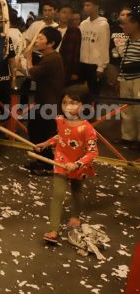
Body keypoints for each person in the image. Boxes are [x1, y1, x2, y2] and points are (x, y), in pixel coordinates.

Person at [34, 90, 98, 243]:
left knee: (77, 192)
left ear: (82, 105)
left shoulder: (88, 129)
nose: (67, 106)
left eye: (73, 103)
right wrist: (46, 144)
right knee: (58, 194)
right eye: (64, 102)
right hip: (61, 161)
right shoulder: (60, 120)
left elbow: (93, 152)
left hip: (78, 164)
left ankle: (76, 216)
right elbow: (61, 136)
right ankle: (54, 230)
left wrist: (77, 164)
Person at [22, 27, 65, 173]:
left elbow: (33, 73)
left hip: (48, 104)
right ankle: (40, 160)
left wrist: (28, 58)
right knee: (35, 131)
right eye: (38, 38)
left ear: (51, 43)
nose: (37, 41)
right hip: (44, 102)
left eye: (41, 39)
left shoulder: (52, 59)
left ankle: (47, 165)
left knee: (42, 134)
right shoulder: (48, 57)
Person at [118, 5, 140, 149]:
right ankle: (128, 137)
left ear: (135, 24)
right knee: (126, 109)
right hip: (126, 78)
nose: (122, 27)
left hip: (138, 79)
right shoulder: (128, 41)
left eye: (125, 24)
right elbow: (124, 60)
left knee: (139, 110)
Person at [79, 0, 110, 94]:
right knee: (80, 93)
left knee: (93, 93)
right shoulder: (83, 24)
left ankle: (92, 109)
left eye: (88, 5)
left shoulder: (103, 24)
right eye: (84, 5)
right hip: (82, 63)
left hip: (94, 65)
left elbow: (104, 46)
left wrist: (101, 67)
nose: (85, 8)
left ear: (96, 6)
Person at [105, 6, 132, 97]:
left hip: (129, 65)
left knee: (128, 90)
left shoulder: (135, 28)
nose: (125, 16)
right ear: (119, 16)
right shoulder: (112, 28)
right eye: (122, 14)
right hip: (113, 64)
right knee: (113, 89)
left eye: (128, 14)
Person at [57, 5, 82, 86]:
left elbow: (76, 51)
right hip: (52, 64)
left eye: (69, 13)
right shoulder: (53, 29)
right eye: (63, 12)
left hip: (66, 66)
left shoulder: (75, 31)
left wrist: (75, 71)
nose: (66, 15)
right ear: (58, 14)